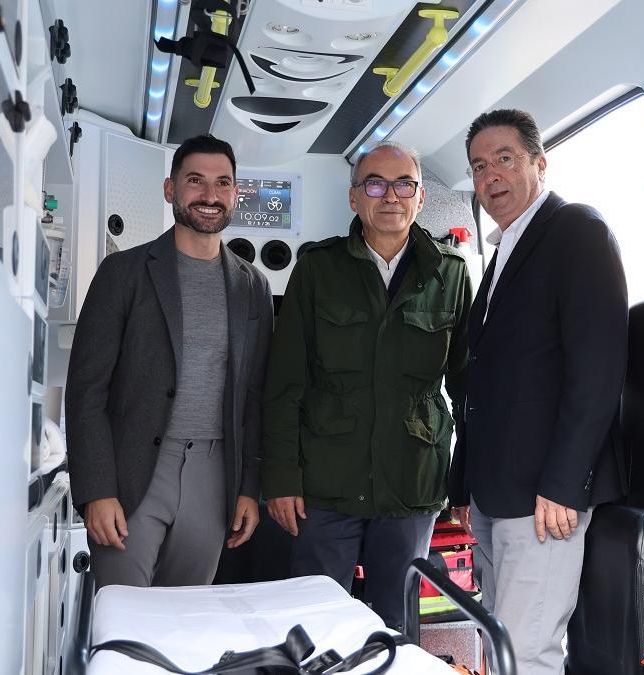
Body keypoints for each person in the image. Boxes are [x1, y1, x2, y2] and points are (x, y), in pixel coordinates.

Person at [262, 141, 472, 629]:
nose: (391, 196)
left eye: (404, 184)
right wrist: (281, 478)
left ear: (421, 199)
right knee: (315, 626)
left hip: (412, 481)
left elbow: (466, 388)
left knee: (395, 626)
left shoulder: (451, 273)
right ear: (355, 198)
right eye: (375, 184)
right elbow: (284, 384)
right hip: (325, 483)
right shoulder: (318, 268)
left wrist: (465, 481)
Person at [449, 109, 628, 674]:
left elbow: (597, 368)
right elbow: (482, 383)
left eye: (504, 158)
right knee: (496, 642)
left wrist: (564, 483)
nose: (490, 176)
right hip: (493, 491)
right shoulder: (501, 253)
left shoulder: (576, 229)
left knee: (527, 653)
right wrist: (463, 483)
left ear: (538, 162)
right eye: (478, 167)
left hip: (543, 498)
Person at [66, 134, 273, 588]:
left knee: (187, 624)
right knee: (124, 623)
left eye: (223, 183)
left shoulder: (252, 287)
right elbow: (87, 389)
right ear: (170, 190)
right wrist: (97, 489)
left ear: (236, 193)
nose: (210, 196)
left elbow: (255, 397)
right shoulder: (123, 273)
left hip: (215, 476)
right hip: (133, 472)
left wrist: (248, 490)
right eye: (195, 181)